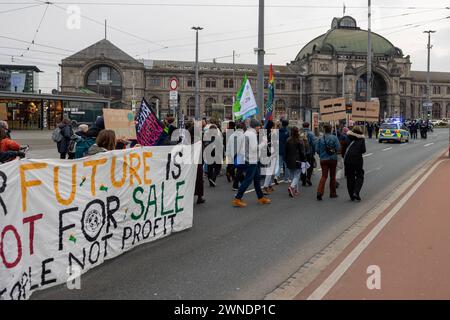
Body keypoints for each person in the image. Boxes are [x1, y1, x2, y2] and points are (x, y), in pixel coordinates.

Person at [232, 119, 271, 208]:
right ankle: (237, 198)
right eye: (259, 126)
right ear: (255, 126)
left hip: (248, 159)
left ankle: (260, 197)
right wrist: (264, 143)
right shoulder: (252, 135)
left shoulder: (246, 133)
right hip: (251, 160)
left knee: (256, 179)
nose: (260, 128)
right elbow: (254, 149)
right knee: (248, 180)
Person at [315, 123, 340, 201]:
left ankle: (319, 192)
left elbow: (317, 149)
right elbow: (338, 148)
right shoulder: (334, 138)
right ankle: (333, 193)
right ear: (331, 129)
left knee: (324, 176)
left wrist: (321, 154)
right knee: (332, 177)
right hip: (333, 159)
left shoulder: (320, 139)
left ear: (324, 130)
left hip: (323, 160)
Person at [344, 126, 366, 201]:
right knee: (360, 175)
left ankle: (351, 195)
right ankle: (356, 192)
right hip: (357, 160)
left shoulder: (347, 137)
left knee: (350, 176)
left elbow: (344, 148)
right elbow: (363, 150)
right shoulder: (361, 139)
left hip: (348, 160)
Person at [285, 126, 306, 197]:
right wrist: (304, 160)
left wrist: (286, 160)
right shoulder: (299, 140)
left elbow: (286, 151)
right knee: (297, 176)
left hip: (289, 160)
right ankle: (291, 187)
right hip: (298, 160)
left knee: (293, 176)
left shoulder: (288, 140)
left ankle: (295, 190)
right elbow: (302, 152)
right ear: (297, 132)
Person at [187, 122, 205, 204]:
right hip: (197, 163)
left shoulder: (187, 140)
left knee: (190, 181)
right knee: (199, 181)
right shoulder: (198, 140)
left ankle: (189, 197)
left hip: (189, 163)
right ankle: (199, 197)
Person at [262, 120, 277, 194]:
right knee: (269, 171)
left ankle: (270, 185)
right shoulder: (272, 133)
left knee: (268, 170)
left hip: (264, 153)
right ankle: (265, 187)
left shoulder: (264, 132)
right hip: (271, 153)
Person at [300, 122, 316, 187]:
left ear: (302, 126)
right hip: (309, 152)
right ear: (308, 126)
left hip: (301, 152)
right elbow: (313, 143)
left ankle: (303, 180)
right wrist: (314, 151)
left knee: (302, 165)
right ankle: (308, 178)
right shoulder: (311, 133)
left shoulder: (300, 133)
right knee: (310, 166)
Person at [274, 119, 290, 184]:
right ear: (287, 124)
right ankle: (286, 179)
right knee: (286, 165)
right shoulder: (287, 132)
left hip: (279, 149)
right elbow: (288, 142)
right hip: (285, 150)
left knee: (279, 164)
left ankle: (276, 176)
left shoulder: (278, 131)